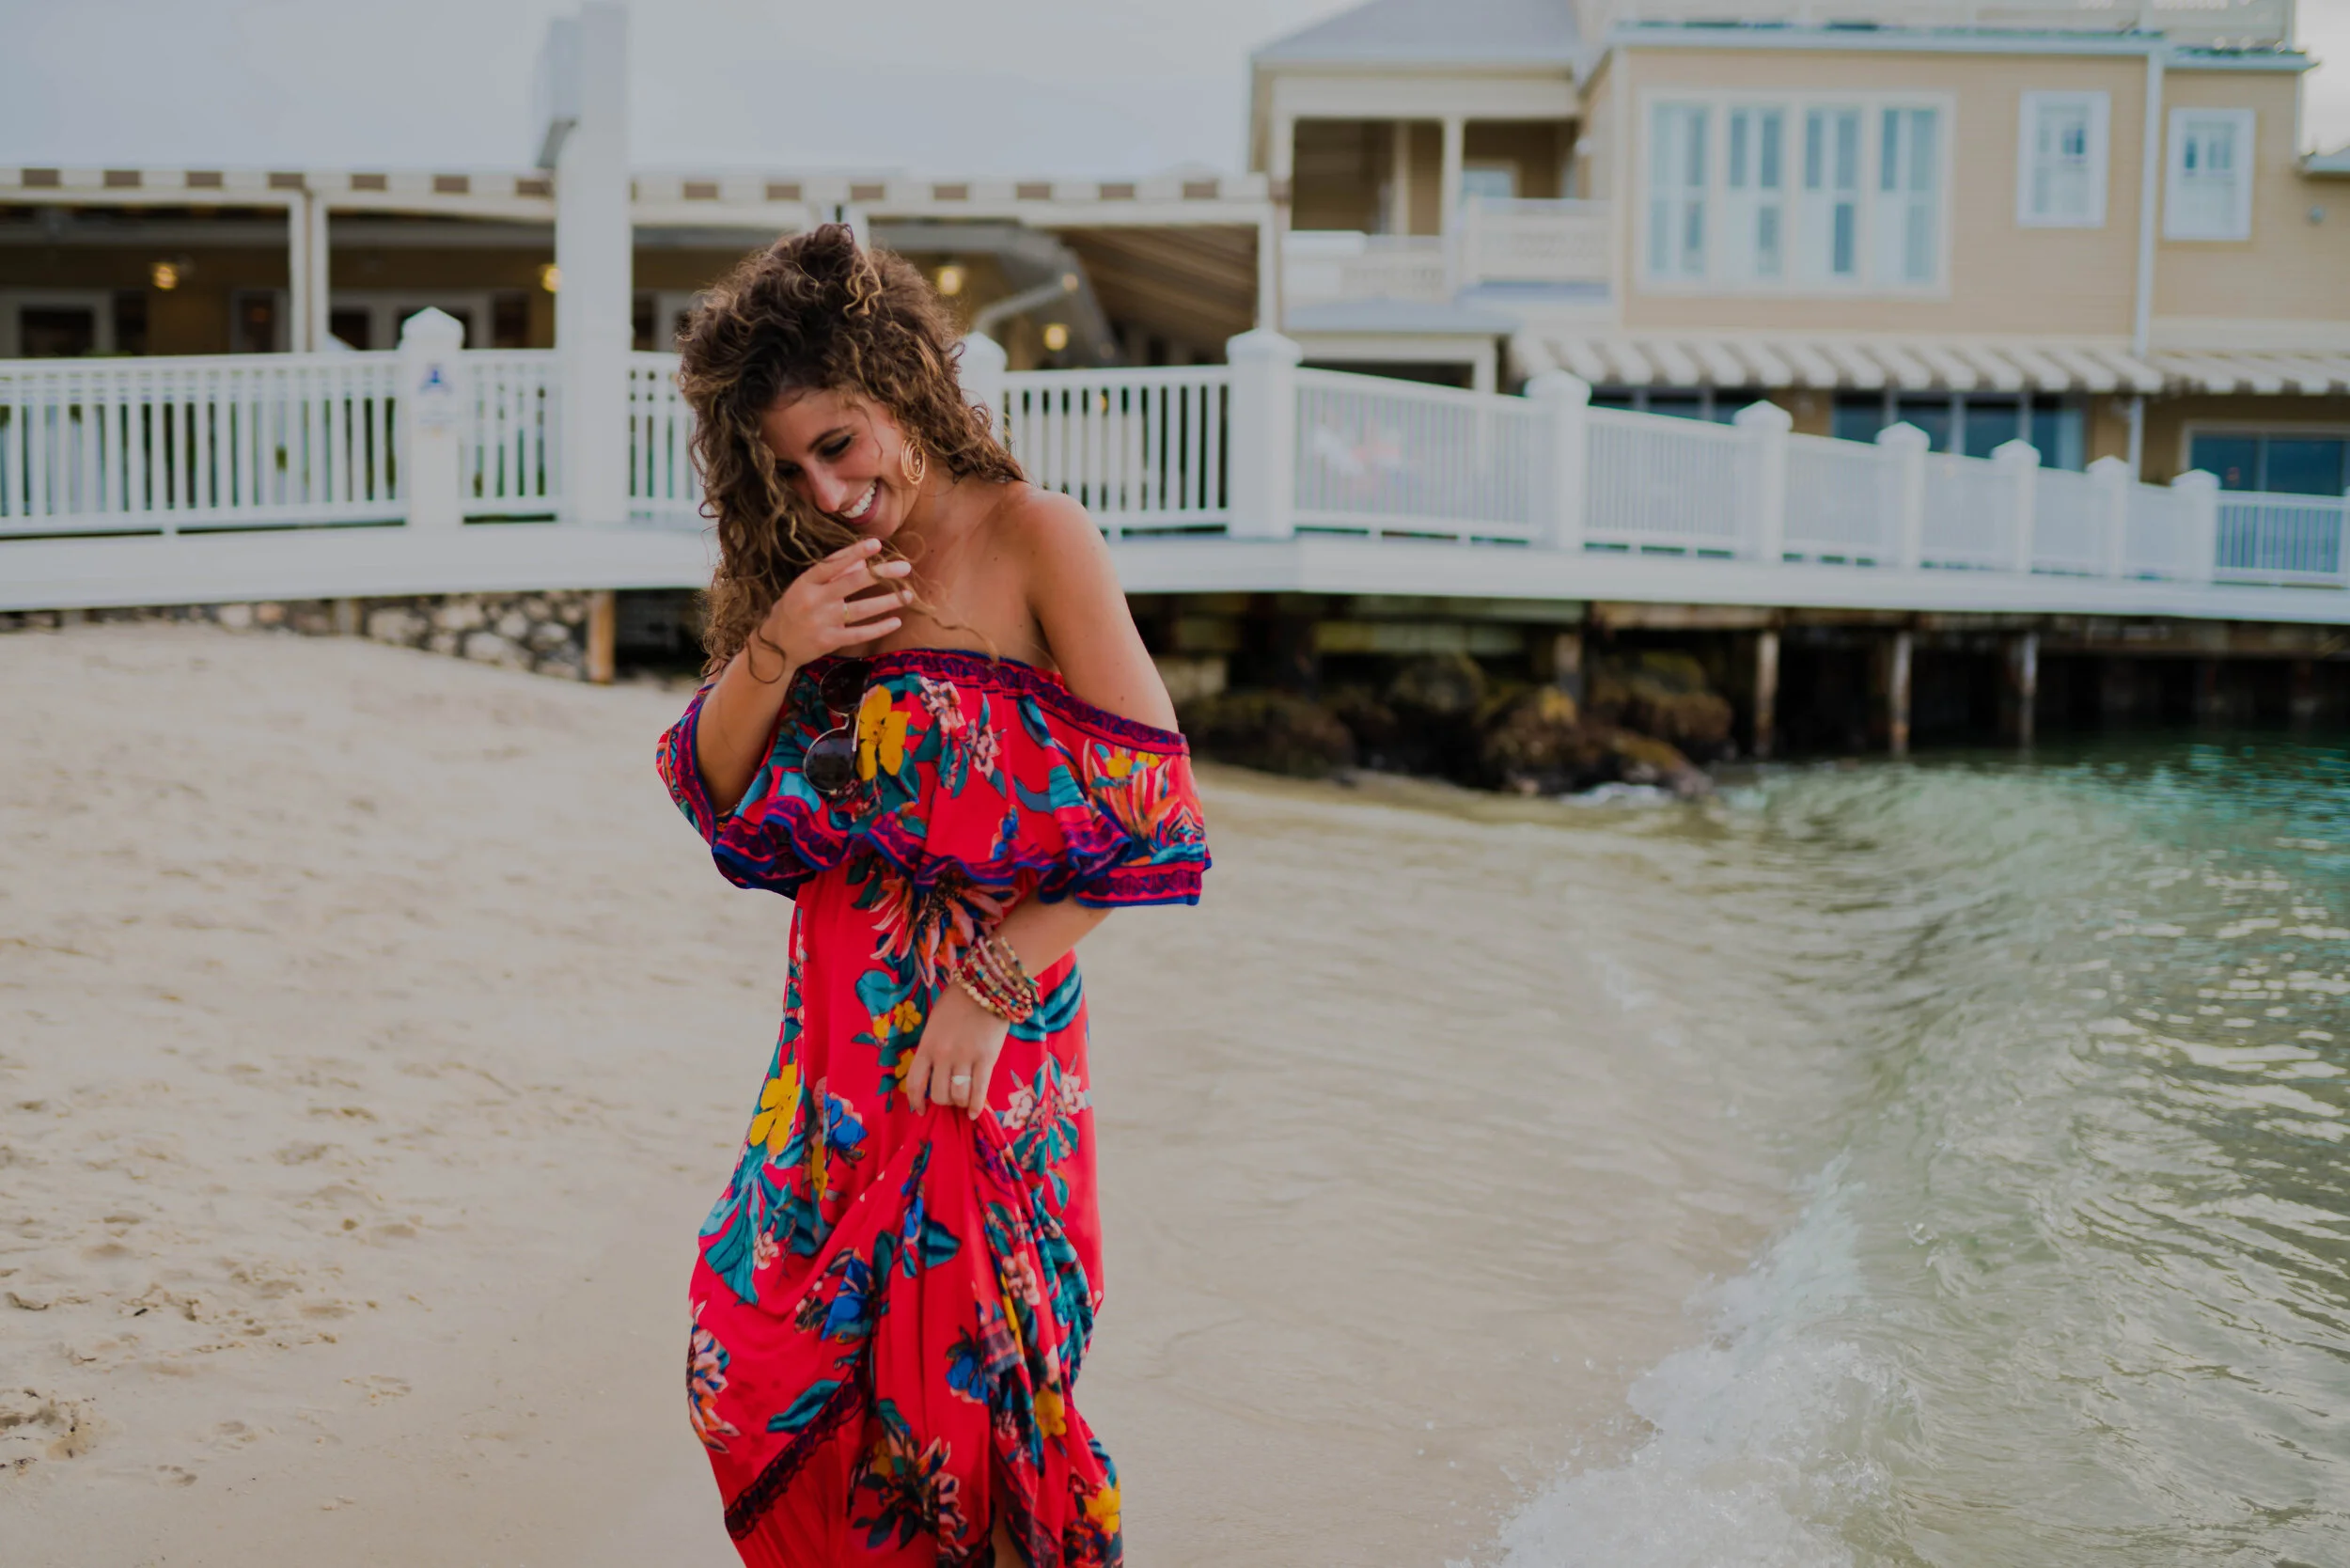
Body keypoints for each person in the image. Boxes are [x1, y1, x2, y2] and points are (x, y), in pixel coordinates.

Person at [655, 224, 1209, 1566]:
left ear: (901, 383)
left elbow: (1161, 823)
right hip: (830, 1062)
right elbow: (711, 790)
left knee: (969, 1420)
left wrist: (986, 992)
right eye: (788, 465)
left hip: (978, 1066)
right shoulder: (811, 572)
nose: (825, 487)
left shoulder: (1037, 542)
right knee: (747, 1374)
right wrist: (781, 646)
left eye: (839, 442)